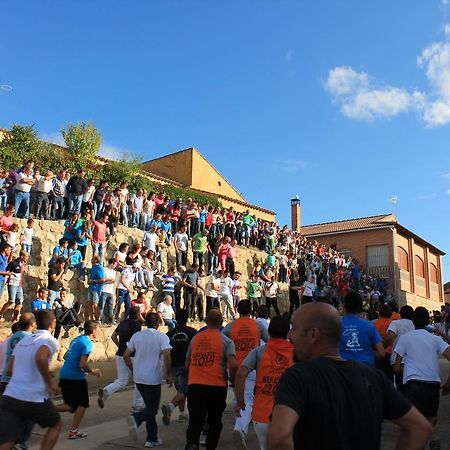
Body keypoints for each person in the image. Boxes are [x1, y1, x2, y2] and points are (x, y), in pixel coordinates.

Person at [267, 302, 433, 450]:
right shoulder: (375, 378)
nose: (290, 336)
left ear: (313, 334)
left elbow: (280, 438)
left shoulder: (296, 377)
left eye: (294, 328)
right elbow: (420, 428)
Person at [0, 310, 62, 450]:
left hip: (10, 394)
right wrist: (50, 383)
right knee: (56, 424)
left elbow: (9, 370)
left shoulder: (23, 341)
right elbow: (40, 357)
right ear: (53, 324)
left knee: (9, 439)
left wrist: (37, 371)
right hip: (33, 396)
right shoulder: (49, 340)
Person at [393, 306, 450, 450]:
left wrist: (402, 372)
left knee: (411, 421)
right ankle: (432, 438)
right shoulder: (434, 339)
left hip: (412, 384)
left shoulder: (405, 338)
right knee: (431, 417)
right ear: (428, 322)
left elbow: (396, 367)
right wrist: (449, 382)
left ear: (413, 321)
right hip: (432, 383)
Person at [234, 315, 293, 450]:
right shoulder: (296, 353)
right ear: (288, 332)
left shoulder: (259, 351)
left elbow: (241, 373)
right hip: (288, 415)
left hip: (262, 413)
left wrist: (240, 402)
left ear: (269, 332)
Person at [185, 309, 238, 450]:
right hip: (216, 385)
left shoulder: (195, 339)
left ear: (206, 321)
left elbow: (187, 363)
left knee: (195, 422)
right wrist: (233, 380)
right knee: (215, 422)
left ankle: (192, 445)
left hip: (195, 385)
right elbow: (233, 365)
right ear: (221, 322)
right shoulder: (226, 341)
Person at [222, 299, 269, 447]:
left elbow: (222, 345)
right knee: (248, 400)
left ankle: (240, 426)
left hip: (235, 367)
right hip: (252, 367)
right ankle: (240, 428)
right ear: (252, 311)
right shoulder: (258, 326)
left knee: (239, 397)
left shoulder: (229, 327)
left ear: (237, 309)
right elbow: (268, 343)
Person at [124, 312, 173, 448]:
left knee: (149, 407)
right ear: (158, 323)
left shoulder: (137, 336)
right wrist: (168, 374)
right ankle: (136, 419)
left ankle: (152, 438)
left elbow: (126, 355)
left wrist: (133, 369)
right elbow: (167, 355)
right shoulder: (161, 337)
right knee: (152, 409)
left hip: (139, 376)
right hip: (153, 378)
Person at [58, 320, 102, 439]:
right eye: (97, 329)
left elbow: (66, 356)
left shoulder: (76, 339)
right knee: (82, 404)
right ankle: (73, 431)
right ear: (93, 331)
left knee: (70, 405)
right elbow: (83, 364)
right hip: (75, 377)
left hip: (65, 373)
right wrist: (93, 371)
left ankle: (46, 408)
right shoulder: (87, 344)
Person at [98, 306, 144, 411]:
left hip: (120, 354)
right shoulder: (137, 325)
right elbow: (136, 340)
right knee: (138, 379)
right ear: (138, 315)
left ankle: (106, 391)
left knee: (122, 380)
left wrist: (120, 346)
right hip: (132, 355)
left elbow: (114, 336)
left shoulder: (123, 323)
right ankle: (138, 403)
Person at [161, 308, 197, 425]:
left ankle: (182, 414)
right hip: (186, 365)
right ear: (187, 318)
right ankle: (170, 407)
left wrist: (167, 372)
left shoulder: (169, 334)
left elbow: (166, 353)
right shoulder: (193, 332)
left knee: (180, 390)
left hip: (174, 365)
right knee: (185, 390)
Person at [339, 291, 385, 366]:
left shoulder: (336, 324)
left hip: (343, 370)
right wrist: (367, 354)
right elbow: (381, 353)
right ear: (360, 306)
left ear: (344, 306)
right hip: (365, 370)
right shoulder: (369, 325)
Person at [386, 304, 415, 390]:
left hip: (397, 360)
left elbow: (390, 336)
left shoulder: (395, 323)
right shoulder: (415, 324)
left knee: (400, 386)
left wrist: (382, 345)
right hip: (412, 361)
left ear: (400, 314)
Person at [0, 251, 28, 322]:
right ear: (21, 256)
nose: (26, 258)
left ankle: (15, 319)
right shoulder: (13, 263)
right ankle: (0, 313)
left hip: (19, 284)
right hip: (12, 283)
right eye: (25, 256)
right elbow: (7, 271)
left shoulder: (23, 264)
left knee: (19, 301)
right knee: (11, 300)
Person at [87, 256, 106, 321]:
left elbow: (102, 279)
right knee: (89, 304)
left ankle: (97, 320)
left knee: (95, 304)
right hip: (91, 288)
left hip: (97, 289)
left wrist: (93, 281)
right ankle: (91, 319)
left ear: (95, 260)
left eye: (92, 259)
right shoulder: (93, 268)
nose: (91, 260)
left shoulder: (99, 268)